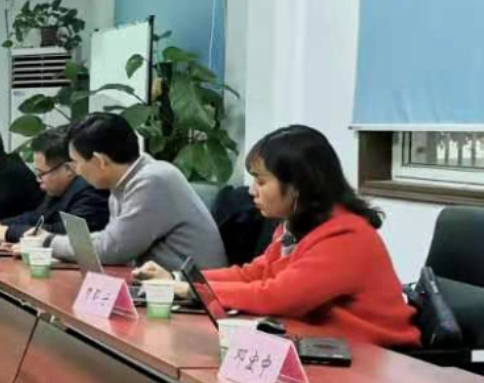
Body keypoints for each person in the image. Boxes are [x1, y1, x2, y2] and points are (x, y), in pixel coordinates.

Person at [138, 126, 419, 347]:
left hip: (376, 358)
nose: (252, 191)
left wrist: (192, 290)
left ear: (298, 186)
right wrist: (178, 278)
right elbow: (254, 274)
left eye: (261, 181)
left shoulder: (347, 237)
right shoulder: (297, 226)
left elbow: (277, 296)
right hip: (325, 344)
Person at [50, 112, 227, 270]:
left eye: (76, 162)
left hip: (193, 289)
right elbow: (111, 240)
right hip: (160, 284)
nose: (77, 171)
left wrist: (49, 242)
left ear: (100, 161)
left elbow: (113, 249)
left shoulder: (152, 181)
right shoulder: (125, 181)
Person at [0, 128, 110, 244]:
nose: (38, 179)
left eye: (41, 173)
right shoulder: (59, 189)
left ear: (68, 169)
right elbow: (38, 217)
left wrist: (9, 232)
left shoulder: (92, 190)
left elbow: (69, 233)